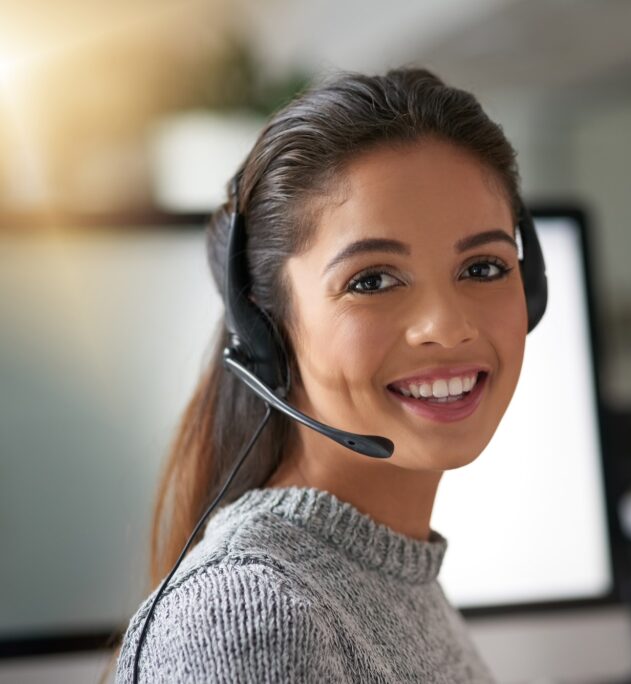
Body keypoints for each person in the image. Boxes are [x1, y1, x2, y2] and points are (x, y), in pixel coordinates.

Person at [116, 69, 539, 682]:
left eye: (483, 267)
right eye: (371, 280)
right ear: (267, 326)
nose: (447, 328)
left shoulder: (392, 579)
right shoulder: (252, 618)